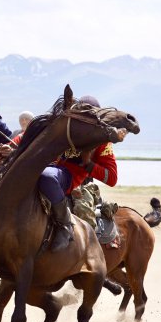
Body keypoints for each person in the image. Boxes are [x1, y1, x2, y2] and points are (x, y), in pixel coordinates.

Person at [37, 95, 126, 252]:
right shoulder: (65, 129)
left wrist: (88, 164)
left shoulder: (102, 142)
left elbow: (112, 178)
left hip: (77, 184)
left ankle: (66, 228)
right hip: (53, 173)